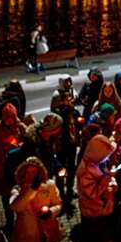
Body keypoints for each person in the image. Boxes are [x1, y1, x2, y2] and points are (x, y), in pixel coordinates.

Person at [0, 102, 27, 233]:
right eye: (7, 118)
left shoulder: (20, 127)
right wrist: (3, 149)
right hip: (2, 169)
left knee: (21, 195)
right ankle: (9, 222)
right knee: (5, 196)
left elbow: (28, 140)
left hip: (17, 167)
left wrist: (19, 146)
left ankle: (22, 221)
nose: (10, 120)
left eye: (12, 117)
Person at [9, 156, 62, 242]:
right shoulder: (18, 189)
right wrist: (32, 190)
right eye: (27, 172)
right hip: (25, 237)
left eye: (34, 172)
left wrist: (51, 212)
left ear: (39, 173)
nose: (30, 175)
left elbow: (58, 204)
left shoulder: (49, 186)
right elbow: (16, 207)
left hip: (45, 234)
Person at [76, 134, 117, 242]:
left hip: (101, 210)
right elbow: (92, 193)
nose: (107, 158)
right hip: (93, 213)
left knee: (102, 240)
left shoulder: (97, 163)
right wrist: (108, 178)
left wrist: (112, 184)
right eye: (106, 155)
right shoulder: (85, 172)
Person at [50, 78, 81, 212]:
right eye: (67, 100)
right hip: (61, 145)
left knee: (72, 168)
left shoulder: (74, 111)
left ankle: (69, 189)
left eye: (70, 99)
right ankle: (61, 192)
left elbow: (78, 124)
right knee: (61, 169)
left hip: (72, 144)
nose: (70, 101)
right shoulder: (58, 114)